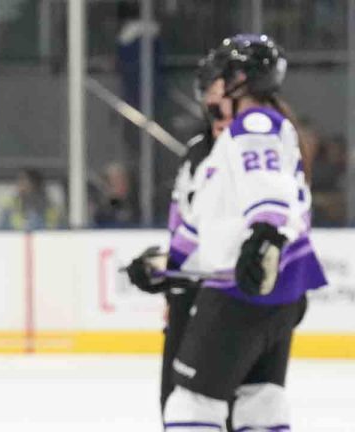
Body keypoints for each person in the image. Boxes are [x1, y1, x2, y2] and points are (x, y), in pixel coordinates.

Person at [162, 34, 327, 431]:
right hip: (276, 293)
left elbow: (268, 191)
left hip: (239, 291)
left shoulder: (254, 123)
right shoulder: (258, 132)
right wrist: (167, 268)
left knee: (192, 407)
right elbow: (213, 220)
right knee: (261, 405)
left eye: (219, 76)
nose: (209, 87)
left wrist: (264, 236)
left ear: (238, 80)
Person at [125, 48, 232, 415]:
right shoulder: (197, 150)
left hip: (229, 301)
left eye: (225, 90)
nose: (216, 100)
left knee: (211, 410)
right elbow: (188, 225)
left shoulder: (255, 151)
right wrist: (167, 267)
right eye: (210, 91)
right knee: (175, 407)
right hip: (189, 296)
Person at [0, 168, 64, 230]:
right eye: (19, 182)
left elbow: (62, 232)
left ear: (35, 185)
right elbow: (0, 231)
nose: (20, 186)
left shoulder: (52, 208)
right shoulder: (10, 207)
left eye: (24, 181)